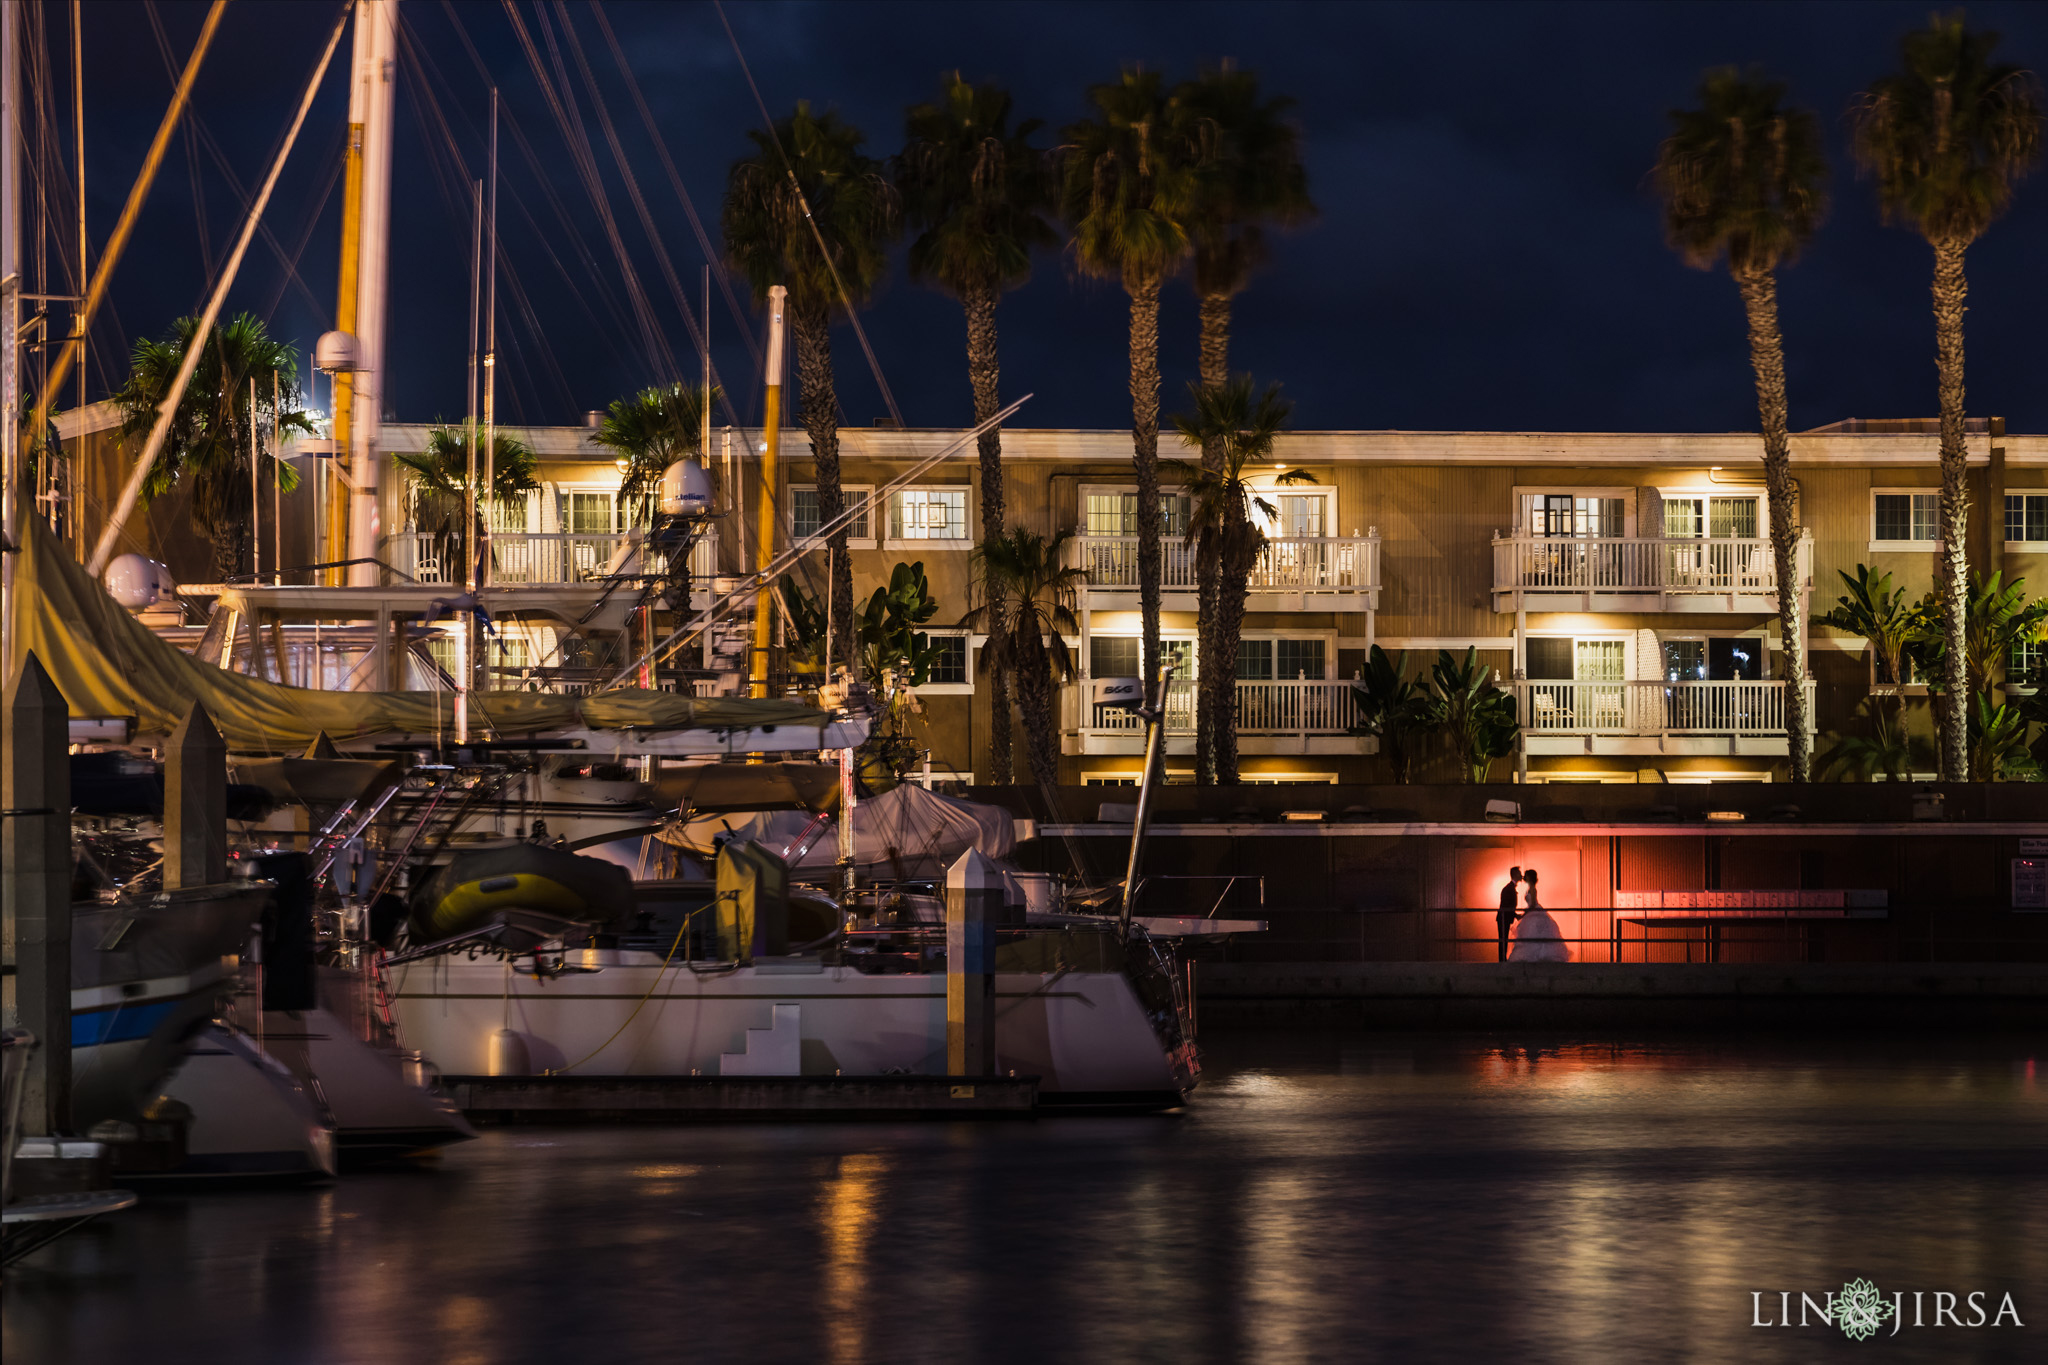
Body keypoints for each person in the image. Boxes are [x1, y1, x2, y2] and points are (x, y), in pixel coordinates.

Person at [1508, 868, 1570, 962]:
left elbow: (1532, 904)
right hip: (1532, 911)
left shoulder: (1532, 889)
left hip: (1533, 911)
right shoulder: (1531, 888)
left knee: (1533, 932)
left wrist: (1525, 913)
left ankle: (1535, 955)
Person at [1496, 866, 1523, 961]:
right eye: (1519, 873)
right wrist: (1515, 915)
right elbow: (1506, 905)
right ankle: (1502, 960)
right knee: (1503, 939)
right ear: (1515, 875)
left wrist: (1515, 915)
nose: (1521, 875)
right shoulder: (1509, 889)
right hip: (1504, 917)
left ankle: (1502, 960)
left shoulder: (1510, 888)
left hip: (1505, 917)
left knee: (1504, 939)